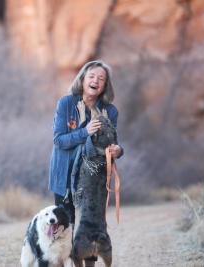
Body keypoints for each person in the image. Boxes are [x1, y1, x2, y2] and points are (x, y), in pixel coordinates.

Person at [48, 60, 123, 265]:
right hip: (64, 175)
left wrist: (117, 150)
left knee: (90, 226)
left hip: (93, 178)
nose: (95, 81)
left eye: (101, 78)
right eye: (91, 76)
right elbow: (59, 140)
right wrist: (85, 132)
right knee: (65, 227)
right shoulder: (66, 103)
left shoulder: (111, 111)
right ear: (82, 79)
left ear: (105, 85)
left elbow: (112, 141)